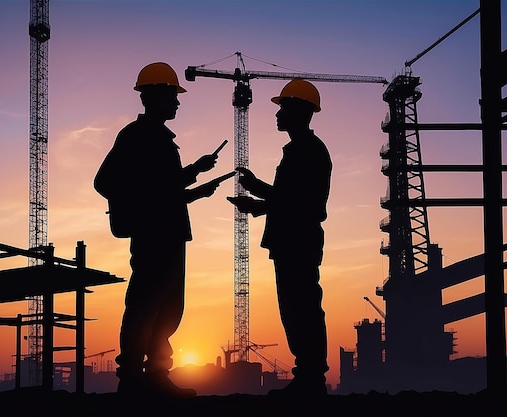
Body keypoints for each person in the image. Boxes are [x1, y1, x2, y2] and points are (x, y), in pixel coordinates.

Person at [94, 62, 225, 398]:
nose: (178, 102)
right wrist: (189, 173)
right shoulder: (136, 136)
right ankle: (133, 379)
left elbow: (164, 192)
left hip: (169, 233)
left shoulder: (159, 139)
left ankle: (155, 375)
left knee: (167, 309)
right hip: (154, 235)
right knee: (144, 305)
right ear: (155, 97)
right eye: (173, 96)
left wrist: (196, 185)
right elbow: (106, 181)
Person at [227, 78, 332, 397]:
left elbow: (303, 204)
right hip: (291, 239)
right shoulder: (300, 150)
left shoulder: (308, 151)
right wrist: (258, 197)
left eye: (283, 107)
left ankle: (311, 379)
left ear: (299, 111)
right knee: (295, 307)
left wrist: (257, 198)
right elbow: (290, 199)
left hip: (297, 240)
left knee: (302, 308)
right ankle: (308, 376)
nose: (277, 113)